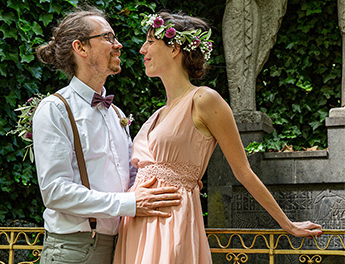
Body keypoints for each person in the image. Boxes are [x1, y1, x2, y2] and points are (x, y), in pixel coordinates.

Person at [113, 11, 323, 264]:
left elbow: (243, 170)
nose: (142, 49)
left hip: (171, 219)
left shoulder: (204, 100)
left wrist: (287, 224)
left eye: (150, 41)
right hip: (136, 220)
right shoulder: (157, 114)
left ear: (174, 48)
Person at [33, 6, 182, 264]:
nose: (119, 45)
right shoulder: (55, 109)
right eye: (108, 37)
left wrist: (176, 180)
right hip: (74, 251)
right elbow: (55, 191)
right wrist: (129, 204)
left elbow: (131, 177)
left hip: (122, 245)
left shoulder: (116, 113)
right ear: (81, 48)